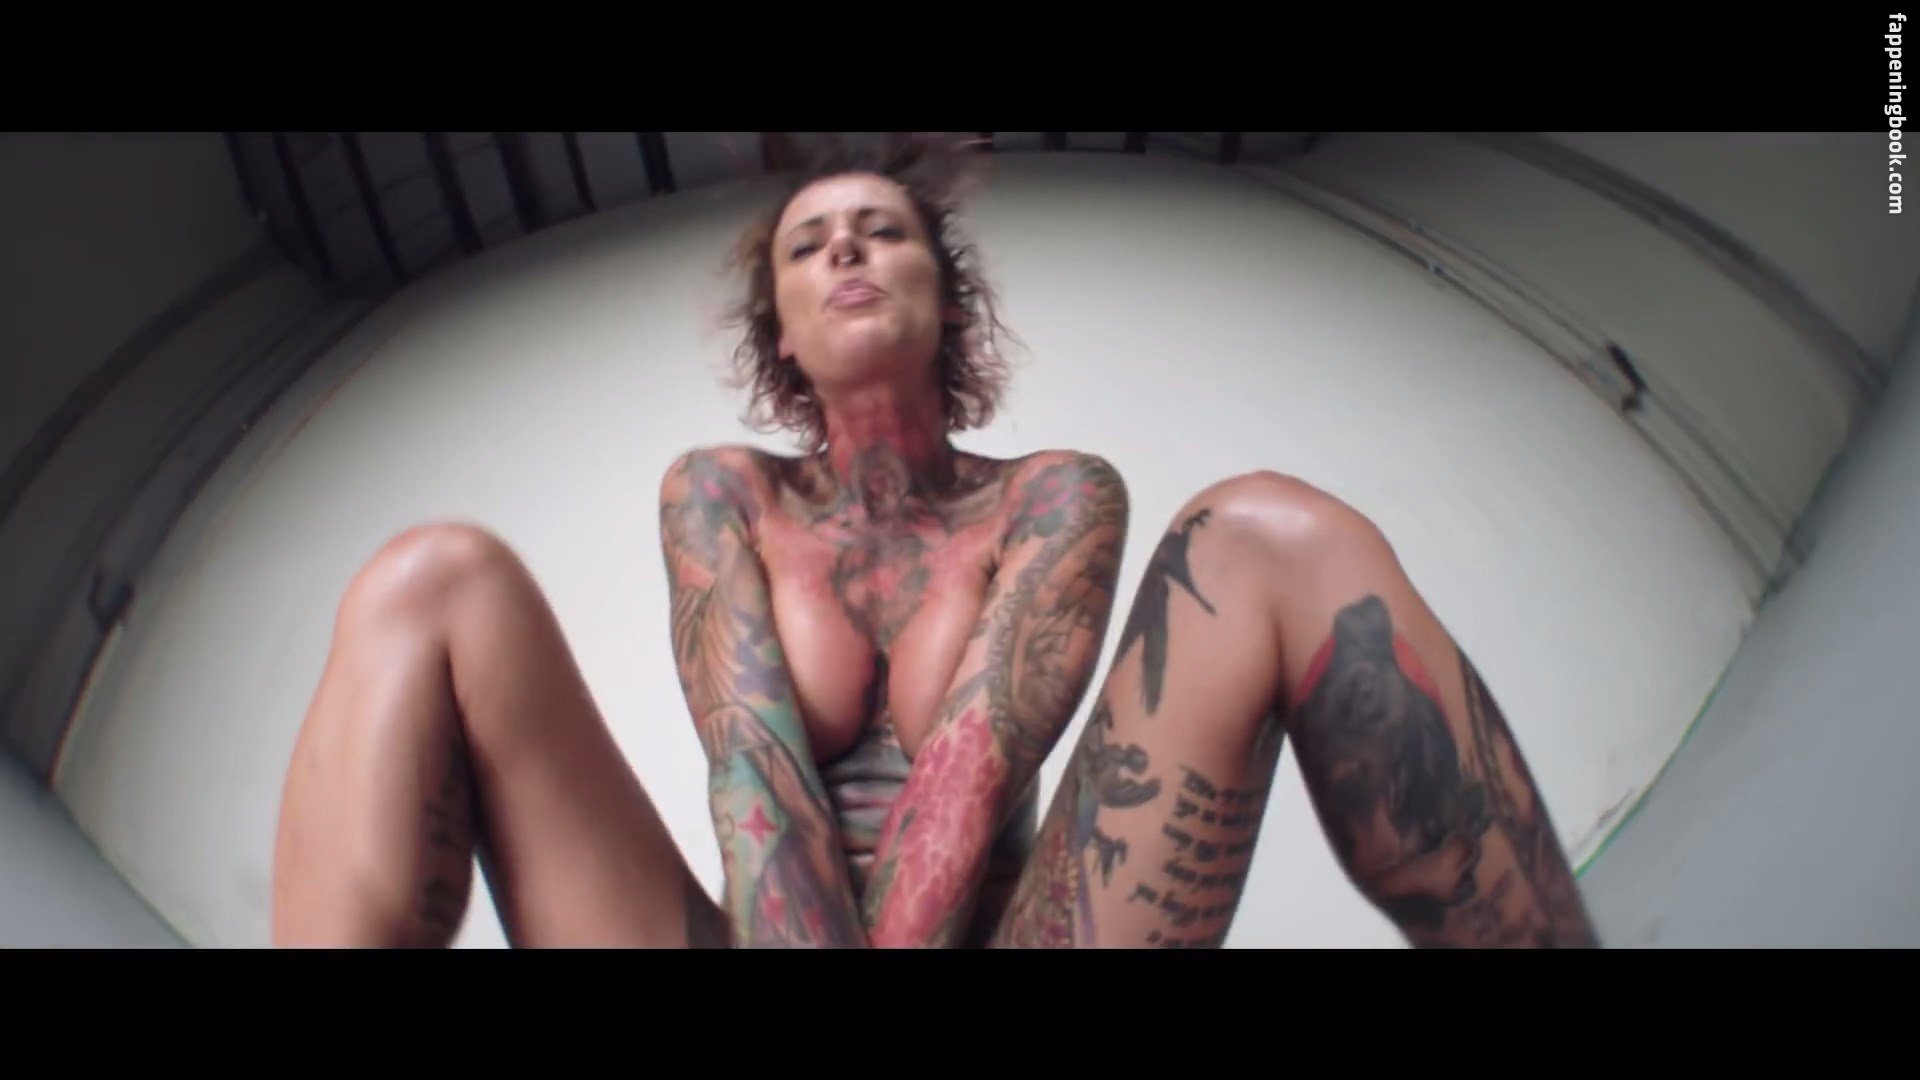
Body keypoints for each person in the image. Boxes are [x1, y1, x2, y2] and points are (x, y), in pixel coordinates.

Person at [269, 134, 1599, 949]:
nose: (847, 248)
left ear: (945, 298)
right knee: (431, 582)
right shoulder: (721, 493)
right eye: (810, 245)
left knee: (1269, 535)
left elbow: (971, 771)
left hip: (1014, 936)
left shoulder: (1055, 495)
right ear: (784, 332)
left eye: (882, 231)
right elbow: (753, 777)